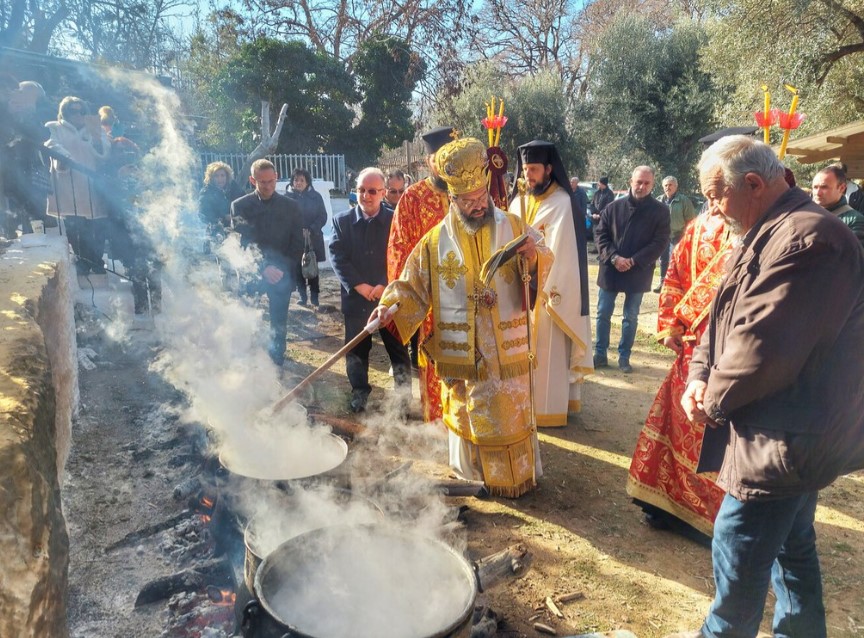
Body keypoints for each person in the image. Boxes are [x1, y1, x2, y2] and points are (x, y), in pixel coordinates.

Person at [667, 135, 864, 638]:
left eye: (716, 196)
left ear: (753, 184)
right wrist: (699, 374)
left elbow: (763, 348)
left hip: (786, 439)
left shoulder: (811, 239)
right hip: (781, 433)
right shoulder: (768, 229)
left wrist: (711, 401)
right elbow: (720, 317)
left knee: (738, 556)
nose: (713, 209)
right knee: (793, 549)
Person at [371, 137, 553, 497]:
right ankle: (473, 476)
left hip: (508, 350)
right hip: (466, 349)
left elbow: (545, 255)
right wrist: (388, 306)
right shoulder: (434, 242)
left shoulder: (513, 225)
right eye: (468, 201)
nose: (477, 205)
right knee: (469, 408)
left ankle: (516, 478)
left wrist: (533, 257)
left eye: (481, 197)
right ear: (451, 199)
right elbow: (411, 285)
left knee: (509, 410)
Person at [626, 208, 733, 540]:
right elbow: (673, 275)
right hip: (692, 348)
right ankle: (666, 506)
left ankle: (708, 516)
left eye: (720, 192)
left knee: (713, 431)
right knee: (678, 422)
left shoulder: (754, 228)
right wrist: (670, 323)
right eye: (710, 195)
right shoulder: (698, 227)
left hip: (731, 348)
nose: (715, 202)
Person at [508, 141, 593, 426]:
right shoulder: (517, 201)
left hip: (547, 292)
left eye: (533, 169)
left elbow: (564, 253)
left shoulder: (563, 202)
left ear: (548, 169)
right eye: (524, 169)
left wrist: (541, 279)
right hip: (519, 288)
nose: (528, 175)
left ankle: (547, 411)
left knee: (548, 352)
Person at [386, 126, 455, 421]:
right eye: (441, 157)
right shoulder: (413, 198)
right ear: (429, 161)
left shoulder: (470, 194)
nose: (448, 163)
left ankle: (467, 427)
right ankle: (438, 426)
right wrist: (403, 299)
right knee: (435, 364)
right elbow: (399, 249)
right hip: (431, 299)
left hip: (469, 297)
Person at [329, 167, 412, 413]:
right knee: (356, 351)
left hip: (389, 297)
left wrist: (384, 285)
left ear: (383, 193)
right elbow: (338, 257)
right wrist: (360, 285)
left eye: (372, 191)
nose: (366, 196)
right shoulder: (342, 221)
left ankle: (403, 400)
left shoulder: (396, 220)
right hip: (356, 297)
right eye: (361, 190)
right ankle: (359, 392)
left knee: (397, 350)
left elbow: (403, 256)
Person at [593, 166, 670, 373]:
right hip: (611, 268)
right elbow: (600, 235)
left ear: (653, 185)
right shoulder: (612, 207)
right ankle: (600, 354)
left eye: (646, 183)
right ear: (631, 182)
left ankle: (624, 356)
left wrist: (634, 261)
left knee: (631, 316)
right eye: (638, 182)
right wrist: (614, 257)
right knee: (603, 313)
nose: (642, 186)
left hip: (638, 271)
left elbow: (660, 242)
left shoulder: (661, 212)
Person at [230, 159, 304, 367]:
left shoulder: (291, 207)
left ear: (276, 177)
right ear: (252, 180)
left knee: (279, 321)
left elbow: (297, 243)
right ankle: (248, 358)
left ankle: (276, 361)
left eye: (271, 181)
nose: (268, 186)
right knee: (248, 316)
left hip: (282, 273)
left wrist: (279, 268)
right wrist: (263, 267)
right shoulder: (240, 206)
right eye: (262, 182)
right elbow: (242, 243)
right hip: (253, 271)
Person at [45, 96, 112, 275]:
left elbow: (104, 153)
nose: (78, 114)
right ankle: (82, 261)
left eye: (82, 111)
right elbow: (52, 145)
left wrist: (96, 139)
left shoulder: (94, 128)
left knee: (97, 226)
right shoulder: (55, 127)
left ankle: (96, 261)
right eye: (73, 111)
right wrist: (67, 159)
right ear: (65, 112)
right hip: (69, 184)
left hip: (92, 184)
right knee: (74, 225)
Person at [285, 168, 327, 307]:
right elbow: (284, 218)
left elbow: (323, 216)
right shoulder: (287, 198)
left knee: (312, 269)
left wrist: (312, 229)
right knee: (298, 269)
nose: (298, 183)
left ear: (307, 182)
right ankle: (303, 297)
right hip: (295, 240)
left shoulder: (316, 197)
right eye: (296, 180)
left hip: (313, 238)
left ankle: (315, 297)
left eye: (302, 180)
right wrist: (297, 231)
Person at [654, 175, 695, 292]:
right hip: (663, 236)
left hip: (678, 236)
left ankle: (678, 285)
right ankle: (663, 284)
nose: (668, 187)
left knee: (677, 261)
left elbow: (691, 220)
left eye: (670, 185)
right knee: (663, 261)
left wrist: (687, 236)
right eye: (666, 185)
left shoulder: (684, 201)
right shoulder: (658, 201)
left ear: (676, 186)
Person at [810, 164, 864, 247]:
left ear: (842, 188)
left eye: (824, 187)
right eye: (815, 187)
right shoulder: (805, 214)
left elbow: (855, 252)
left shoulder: (855, 220)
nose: (818, 193)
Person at [198, 161, 245, 237]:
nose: (220, 179)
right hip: (216, 230)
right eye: (216, 176)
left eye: (222, 175)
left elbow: (244, 200)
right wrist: (224, 217)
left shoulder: (233, 187)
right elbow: (205, 214)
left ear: (227, 176)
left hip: (236, 226)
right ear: (211, 178)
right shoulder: (206, 192)